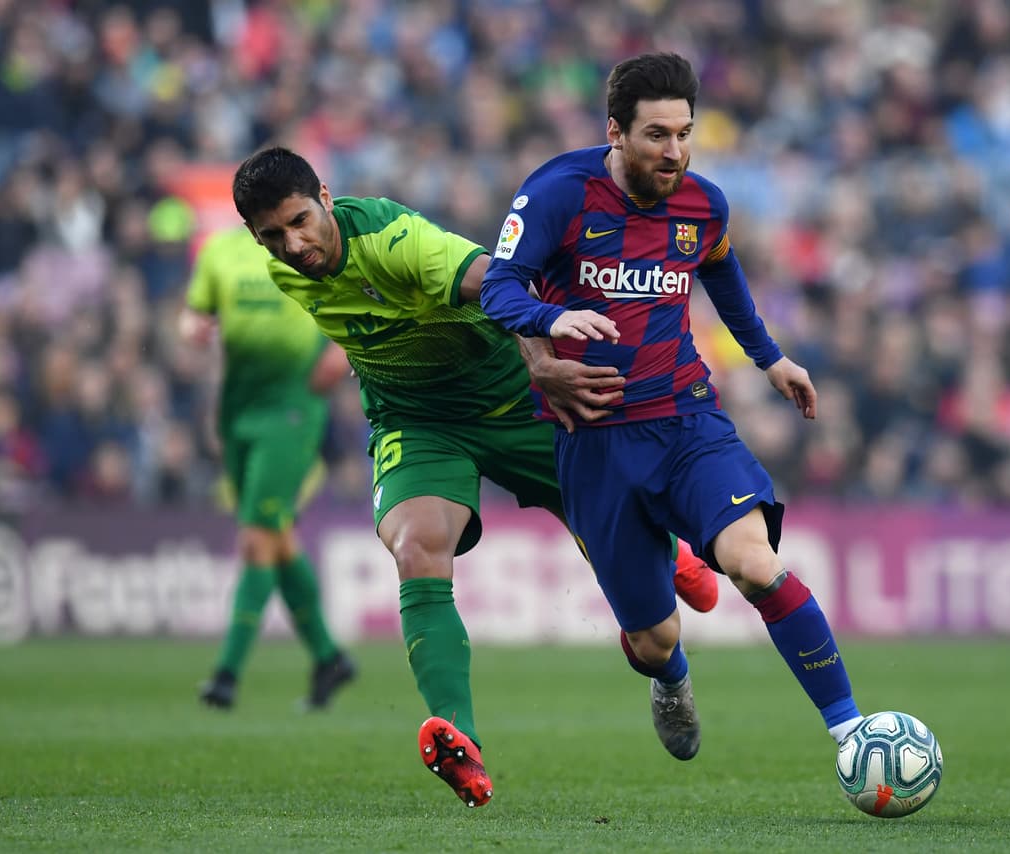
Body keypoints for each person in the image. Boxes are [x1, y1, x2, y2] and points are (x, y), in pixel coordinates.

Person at [230, 145, 719, 808]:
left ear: (324, 192)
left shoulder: (399, 243)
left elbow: (506, 283)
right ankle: (460, 741)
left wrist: (545, 362)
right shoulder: (287, 268)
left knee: (653, 635)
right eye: (272, 236)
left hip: (522, 406)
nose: (293, 244)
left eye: (299, 221)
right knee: (416, 547)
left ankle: (670, 664)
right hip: (420, 422)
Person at [479, 52, 865, 763]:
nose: (675, 151)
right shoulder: (559, 193)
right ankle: (671, 678)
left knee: (756, 566)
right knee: (655, 641)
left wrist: (769, 356)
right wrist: (547, 320)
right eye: (657, 135)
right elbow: (498, 287)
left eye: (685, 133)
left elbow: (719, 266)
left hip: (688, 418)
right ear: (615, 132)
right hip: (594, 440)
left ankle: (853, 734)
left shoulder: (704, 203)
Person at [180, 224, 356, 711]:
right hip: (239, 411)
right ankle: (329, 658)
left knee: (256, 536)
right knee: (276, 538)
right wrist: (191, 329)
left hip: (293, 409)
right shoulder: (217, 251)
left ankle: (226, 675)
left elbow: (358, 299)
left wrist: (341, 351)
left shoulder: (306, 244)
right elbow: (193, 317)